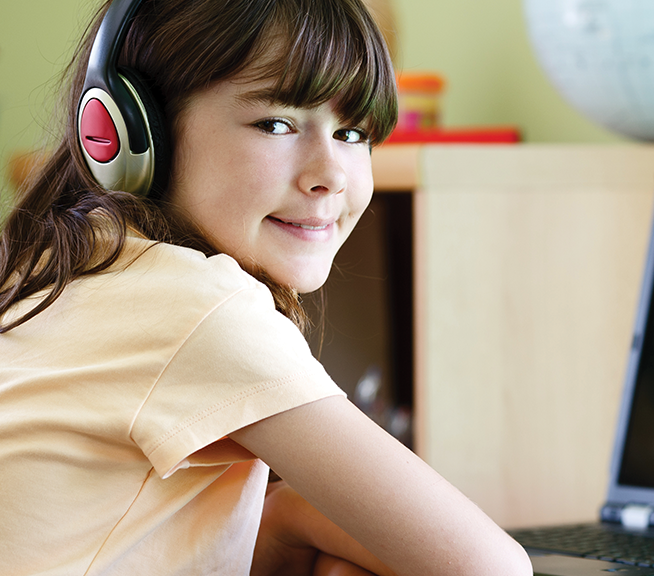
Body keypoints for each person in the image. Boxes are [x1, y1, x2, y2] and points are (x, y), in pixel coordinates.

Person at [0, 0, 533, 575]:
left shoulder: (54, 265)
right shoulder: (198, 307)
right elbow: (489, 568)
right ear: (127, 132)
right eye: (276, 124)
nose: (329, 174)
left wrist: (282, 523)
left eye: (353, 132)